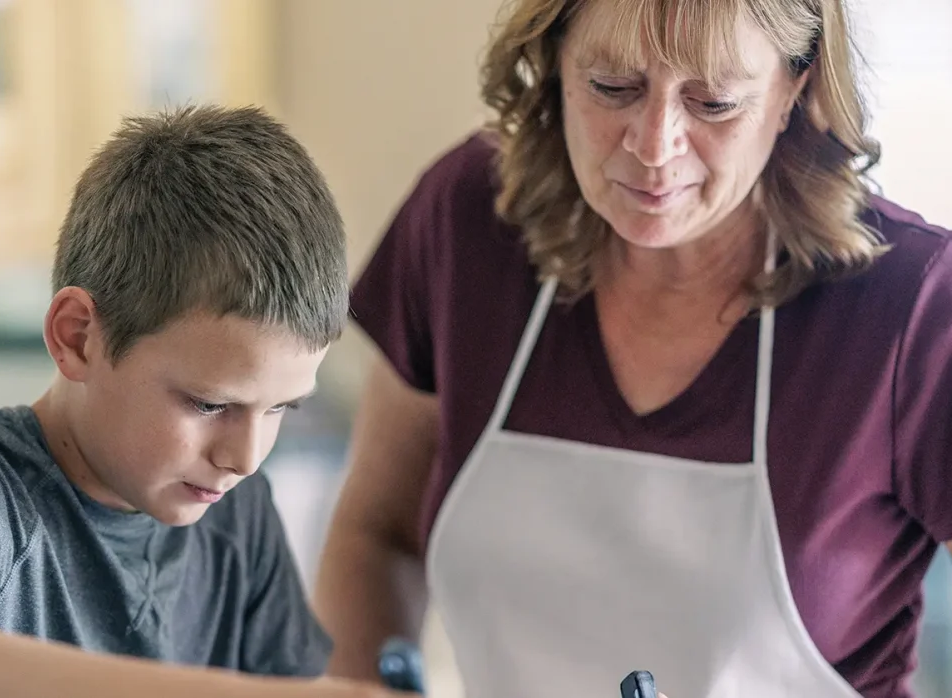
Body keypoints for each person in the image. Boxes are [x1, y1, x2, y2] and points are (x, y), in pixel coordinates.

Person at [313, 0, 952, 696]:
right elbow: (378, 535)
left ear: (793, 88)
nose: (653, 147)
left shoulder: (910, 303)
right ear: (553, 60)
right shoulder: (468, 220)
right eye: (612, 87)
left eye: (712, 102)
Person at [0, 106, 406, 698]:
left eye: (284, 408)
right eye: (210, 405)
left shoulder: (238, 514)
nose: (246, 458)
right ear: (78, 337)